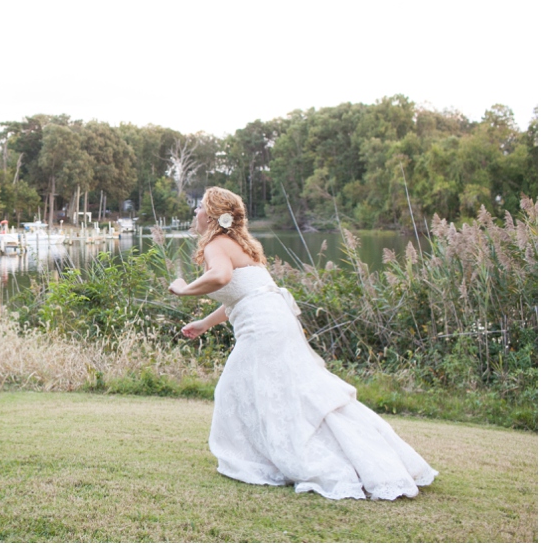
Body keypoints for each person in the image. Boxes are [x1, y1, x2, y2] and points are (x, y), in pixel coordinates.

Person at [168, 187, 437, 500]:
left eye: (199, 208)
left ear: (214, 217)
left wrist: (184, 290)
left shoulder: (217, 243)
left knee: (235, 389)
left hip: (263, 328)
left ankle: (272, 461)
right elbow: (243, 295)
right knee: (291, 392)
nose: (195, 213)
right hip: (273, 320)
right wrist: (202, 324)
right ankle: (279, 456)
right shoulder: (239, 245)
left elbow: (221, 278)